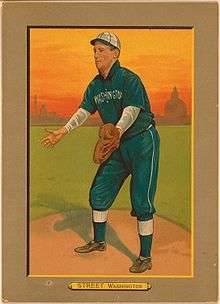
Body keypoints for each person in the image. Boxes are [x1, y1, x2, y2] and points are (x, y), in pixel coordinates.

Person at [41, 32, 160, 273]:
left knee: (141, 200)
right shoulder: (95, 85)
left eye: (102, 50)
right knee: (99, 192)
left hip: (142, 142)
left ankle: (145, 257)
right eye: (95, 50)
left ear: (115, 54)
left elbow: (132, 109)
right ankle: (99, 241)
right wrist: (63, 131)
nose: (96, 55)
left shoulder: (129, 79)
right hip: (116, 145)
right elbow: (84, 111)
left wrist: (116, 130)